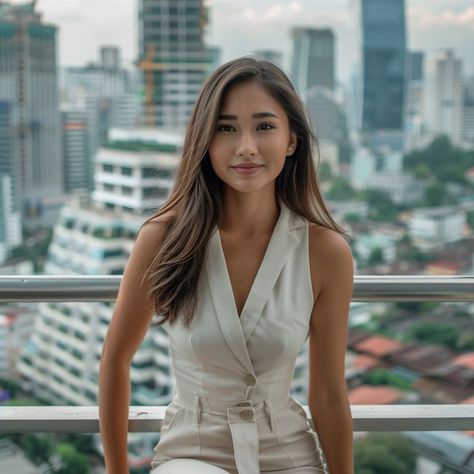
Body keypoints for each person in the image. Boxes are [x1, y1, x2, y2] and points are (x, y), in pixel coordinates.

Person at [98, 57, 354, 474]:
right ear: (205, 140)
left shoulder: (325, 251)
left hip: (287, 453)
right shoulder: (164, 239)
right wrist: (116, 470)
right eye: (226, 128)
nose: (246, 146)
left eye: (265, 126)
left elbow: (327, 393)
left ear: (292, 140)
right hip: (191, 454)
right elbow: (116, 358)